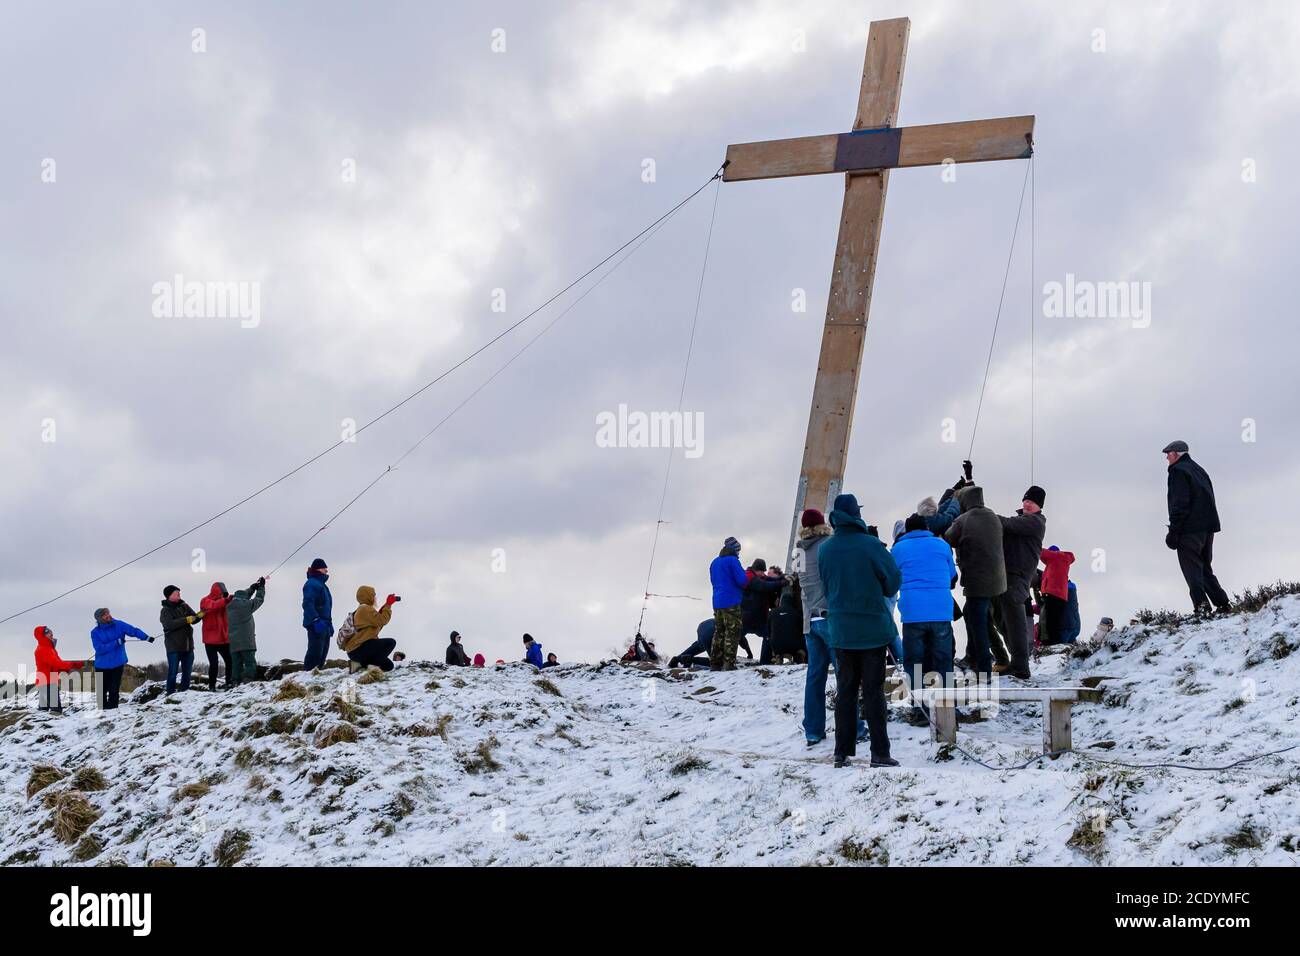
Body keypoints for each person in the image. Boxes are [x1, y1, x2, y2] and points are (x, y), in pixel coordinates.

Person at [816, 493, 901, 769]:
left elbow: (828, 589)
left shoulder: (825, 550)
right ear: (856, 515)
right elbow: (892, 583)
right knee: (874, 692)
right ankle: (880, 753)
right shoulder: (872, 545)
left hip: (841, 630)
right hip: (872, 630)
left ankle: (841, 752)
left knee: (846, 692)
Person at [892, 513, 959, 715]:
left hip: (913, 614)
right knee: (943, 661)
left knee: (914, 663)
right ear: (926, 528)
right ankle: (946, 709)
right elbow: (952, 576)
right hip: (940, 611)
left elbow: (892, 578)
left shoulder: (897, 549)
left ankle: (920, 711)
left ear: (908, 530)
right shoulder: (942, 545)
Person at [944, 484, 1007, 680]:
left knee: (978, 622)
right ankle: (975, 657)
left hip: (977, 582)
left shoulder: (963, 520)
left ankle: (983, 668)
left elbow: (947, 538)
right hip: (997, 581)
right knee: (973, 614)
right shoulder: (992, 516)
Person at [1164, 440, 1230, 614]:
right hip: (1207, 529)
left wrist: (1174, 532)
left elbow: (1180, 504)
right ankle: (1222, 603)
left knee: (1192, 570)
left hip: (1189, 530)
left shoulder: (1178, 471)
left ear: (1176, 454)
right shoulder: (1199, 470)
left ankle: (1202, 608)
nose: (1167, 458)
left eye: (1168, 454)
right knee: (1205, 568)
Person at [795, 508, 838, 745]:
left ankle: (813, 730)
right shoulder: (828, 545)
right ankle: (854, 727)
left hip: (809, 619)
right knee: (845, 675)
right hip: (830, 616)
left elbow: (800, 581)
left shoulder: (798, 551)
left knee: (815, 677)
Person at [996, 486, 1048, 680]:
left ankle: (1020, 666)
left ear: (1039, 506)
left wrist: (985, 515)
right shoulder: (1023, 520)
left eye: (1032, 502)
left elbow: (1008, 524)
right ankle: (1016, 662)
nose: (1027, 503)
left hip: (1018, 576)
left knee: (1015, 620)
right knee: (1006, 618)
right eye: (1025, 500)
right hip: (1009, 575)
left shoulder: (1035, 522)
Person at [90, 608, 153, 710]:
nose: (108, 615)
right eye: (105, 615)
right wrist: (116, 642)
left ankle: (113, 710)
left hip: (117, 663)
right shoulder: (95, 632)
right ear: (99, 619)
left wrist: (146, 637)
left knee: (114, 689)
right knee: (101, 690)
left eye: (108, 613)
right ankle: (101, 711)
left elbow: (133, 631)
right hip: (101, 665)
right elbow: (99, 648)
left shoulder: (118, 625)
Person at [708, 537, 748, 671]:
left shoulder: (715, 562)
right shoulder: (733, 561)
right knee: (732, 631)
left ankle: (715, 663)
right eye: (738, 550)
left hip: (717, 601)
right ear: (735, 550)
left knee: (719, 631)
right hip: (731, 601)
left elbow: (713, 581)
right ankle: (728, 663)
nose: (739, 553)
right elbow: (742, 581)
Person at [344, 586, 399, 671]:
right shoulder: (365, 609)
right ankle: (370, 666)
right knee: (390, 642)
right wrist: (388, 605)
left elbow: (377, 624)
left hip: (356, 651)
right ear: (367, 596)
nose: (375, 598)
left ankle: (359, 664)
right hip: (358, 649)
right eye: (373, 595)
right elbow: (382, 620)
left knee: (388, 666)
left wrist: (386, 605)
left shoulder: (362, 609)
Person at [160, 585, 203, 695]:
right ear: (169, 595)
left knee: (187, 672)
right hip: (173, 647)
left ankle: (184, 693)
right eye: (176, 593)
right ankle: (169, 694)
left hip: (188, 645)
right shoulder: (165, 610)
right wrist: (186, 619)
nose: (179, 594)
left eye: (179, 592)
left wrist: (200, 615)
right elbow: (169, 624)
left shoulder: (184, 606)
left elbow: (193, 619)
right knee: (172, 673)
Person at [740, 559, 785, 665]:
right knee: (734, 638)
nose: (764, 573)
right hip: (747, 618)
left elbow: (768, 579)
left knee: (769, 636)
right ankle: (725, 660)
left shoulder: (757, 576)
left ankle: (765, 662)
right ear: (757, 570)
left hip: (758, 619)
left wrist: (782, 578)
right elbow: (765, 585)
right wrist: (782, 583)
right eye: (762, 571)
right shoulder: (749, 577)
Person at [34, 626, 86, 713]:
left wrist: (71, 667)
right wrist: (72, 664)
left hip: (48, 681)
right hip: (47, 682)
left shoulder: (50, 649)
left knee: (43, 710)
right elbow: (56, 663)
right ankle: (49, 725)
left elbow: (56, 665)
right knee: (56, 710)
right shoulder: (43, 649)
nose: (51, 634)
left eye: (51, 632)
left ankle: (40, 725)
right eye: (47, 633)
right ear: (42, 636)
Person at [226, 577, 266, 686]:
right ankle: (248, 682)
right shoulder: (247, 605)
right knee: (249, 663)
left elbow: (243, 597)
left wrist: (252, 588)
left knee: (236, 664)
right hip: (246, 641)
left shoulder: (229, 606)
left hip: (234, 641)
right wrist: (261, 588)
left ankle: (235, 683)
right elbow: (259, 600)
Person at [199, 582, 234, 691]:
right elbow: (214, 605)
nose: (222, 596)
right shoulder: (205, 601)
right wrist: (226, 600)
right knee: (214, 664)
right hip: (210, 640)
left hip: (224, 639)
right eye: (221, 594)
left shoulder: (225, 601)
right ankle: (212, 686)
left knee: (230, 661)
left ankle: (229, 682)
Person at [1037, 546, 1076, 645]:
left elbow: (1040, 551)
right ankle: (1055, 644)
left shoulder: (1056, 556)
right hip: (1058, 595)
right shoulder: (1058, 562)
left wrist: (1030, 542)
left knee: (1051, 622)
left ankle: (1054, 645)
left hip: (1053, 594)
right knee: (1055, 621)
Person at [302, 558, 334, 670]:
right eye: (324, 568)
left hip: (324, 623)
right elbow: (307, 604)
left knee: (322, 653)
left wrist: (329, 624)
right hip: (316, 624)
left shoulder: (322, 585)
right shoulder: (312, 584)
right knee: (315, 651)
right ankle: (308, 674)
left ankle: (317, 674)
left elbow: (326, 607)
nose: (326, 570)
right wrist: (315, 620)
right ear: (318, 569)